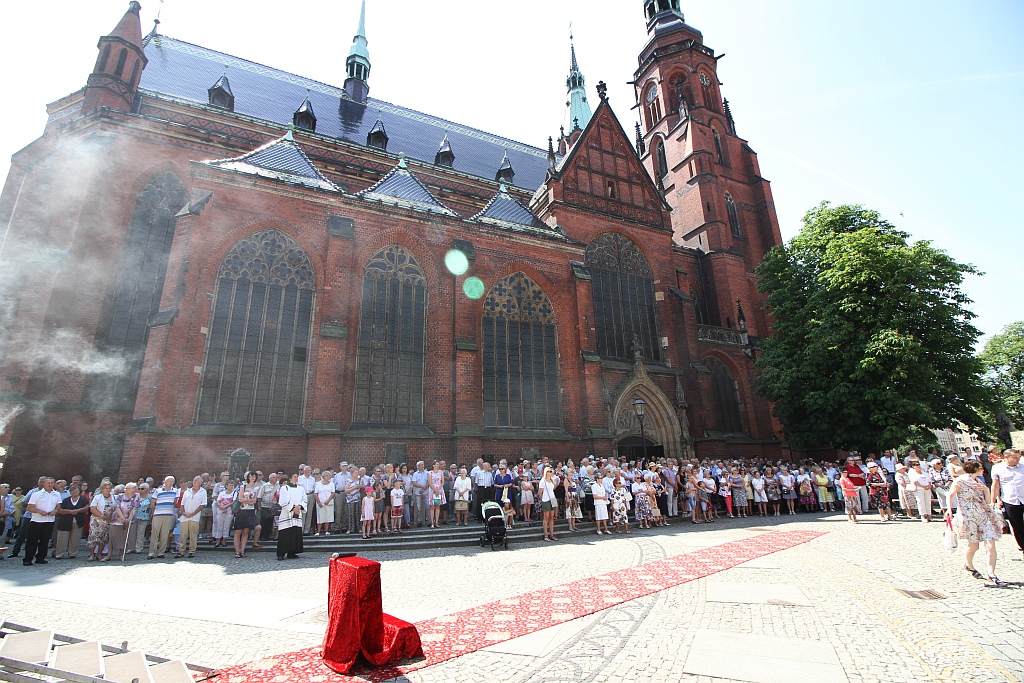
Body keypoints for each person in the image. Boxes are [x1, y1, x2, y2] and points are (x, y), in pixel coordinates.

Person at [951, 460, 1007, 587]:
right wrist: (949, 510)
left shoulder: (979, 481)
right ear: (975, 468)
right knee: (974, 546)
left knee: (991, 544)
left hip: (984, 516)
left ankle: (991, 574)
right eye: (981, 468)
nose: (983, 470)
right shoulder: (960, 480)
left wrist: (986, 490)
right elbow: (951, 494)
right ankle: (968, 565)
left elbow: (987, 502)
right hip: (969, 516)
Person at [991, 448, 1024, 561]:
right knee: (1017, 526)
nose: (1017, 460)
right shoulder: (997, 468)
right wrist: (993, 501)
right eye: (1014, 458)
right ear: (1006, 457)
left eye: (1018, 458)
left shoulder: (1022, 467)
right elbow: (995, 485)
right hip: (1010, 500)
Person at [22, 477, 61, 566]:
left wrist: (55, 511)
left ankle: (40, 557)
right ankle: (28, 558)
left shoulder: (56, 494)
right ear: (44, 484)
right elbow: (29, 507)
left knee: (45, 540)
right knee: (32, 540)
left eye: (52, 483)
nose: (50, 484)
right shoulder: (37, 494)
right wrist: (39, 511)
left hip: (49, 520)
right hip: (37, 520)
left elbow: (58, 505)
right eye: (48, 483)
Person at [54, 483, 88, 559]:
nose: (74, 492)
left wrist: (78, 510)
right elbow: (60, 510)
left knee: (75, 538)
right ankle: (59, 554)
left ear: (79, 491)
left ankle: (72, 553)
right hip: (65, 521)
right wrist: (70, 512)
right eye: (72, 491)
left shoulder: (83, 499)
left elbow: (86, 507)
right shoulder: (66, 500)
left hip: (78, 521)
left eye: (76, 490)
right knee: (62, 538)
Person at [277, 473, 306, 560]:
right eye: (294, 477)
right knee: (285, 533)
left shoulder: (301, 488)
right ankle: (281, 553)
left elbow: (304, 499)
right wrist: (293, 508)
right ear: (290, 478)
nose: (296, 478)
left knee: (295, 532)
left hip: (297, 513)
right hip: (287, 513)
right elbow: (282, 501)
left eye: (297, 477)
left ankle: (292, 552)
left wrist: (299, 507)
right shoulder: (284, 488)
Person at [148, 476, 178, 559]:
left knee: (165, 534)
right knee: (155, 533)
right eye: (169, 481)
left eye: (172, 481)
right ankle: (151, 552)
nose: (171, 482)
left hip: (168, 514)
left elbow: (175, 502)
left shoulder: (175, 491)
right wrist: (153, 512)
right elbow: (153, 502)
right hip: (157, 514)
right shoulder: (158, 490)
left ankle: (161, 552)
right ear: (164, 481)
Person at [108, 483, 139, 561]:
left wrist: (128, 519)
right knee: (112, 537)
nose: (125, 490)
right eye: (125, 488)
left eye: (128, 488)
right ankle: (109, 555)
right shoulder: (119, 496)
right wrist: (122, 518)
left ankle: (121, 554)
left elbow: (134, 508)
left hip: (129, 519)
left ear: (133, 489)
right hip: (117, 519)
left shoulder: (136, 496)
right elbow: (117, 507)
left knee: (124, 537)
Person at [126, 483, 151, 554]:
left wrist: (150, 515)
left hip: (144, 516)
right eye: (139, 488)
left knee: (141, 532)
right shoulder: (135, 496)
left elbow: (151, 506)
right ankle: (131, 548)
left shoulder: (149, 497)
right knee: (132, 532)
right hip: (134, 516)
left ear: (147, 489)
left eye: (142, 488)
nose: (140, 490)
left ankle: (138, 548)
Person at [212, 480, 235, 547]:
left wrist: (226, 506)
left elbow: (233, 502)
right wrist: (221, 507)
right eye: (230, 485)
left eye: (232, 485)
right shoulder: (222, 493)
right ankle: (218, 540)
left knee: (226, 526)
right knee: (219, 525)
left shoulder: (234, 493)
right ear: (226, 486)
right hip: (220, 510)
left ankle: (224, 540)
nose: (231, 487)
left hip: (229, 511)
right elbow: (218, 501)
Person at [539, 467, 559, 541]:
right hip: (546, 499)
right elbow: (540, 492)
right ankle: (546, 535)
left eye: (551, 471)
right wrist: (542, 499)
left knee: (551, 517)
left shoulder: (552, 480)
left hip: (552, 499)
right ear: (546, 472)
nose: (551, 472)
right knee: (546, 517)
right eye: (549, 471)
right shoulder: (543, 481)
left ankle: (552, 534)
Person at [314, 471, 334, 537]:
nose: (328, 477)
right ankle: (318, 531)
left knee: (328, 516)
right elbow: (315, 493)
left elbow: (333, 493)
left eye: (329, 475)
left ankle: (327, 531)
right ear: (323, 476)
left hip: (328, 502)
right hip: (320, 502)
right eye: (327, 475)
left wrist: (328, 500)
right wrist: (319, 502)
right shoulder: (318, 484)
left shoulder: (332, 484)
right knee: (320, 517)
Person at [428, 461, 447, 529]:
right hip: (432, 490)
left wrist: (438, 489)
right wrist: (434, 490)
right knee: (432, 506)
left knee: (438, 506)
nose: (438, 465)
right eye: (436, 464)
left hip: (439, 490)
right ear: (433, 465)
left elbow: (442, 482)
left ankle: (436, 521)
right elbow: (429, 482)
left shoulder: (440, 472)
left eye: (438, 464)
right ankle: (432, 522)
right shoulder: (430, 473)